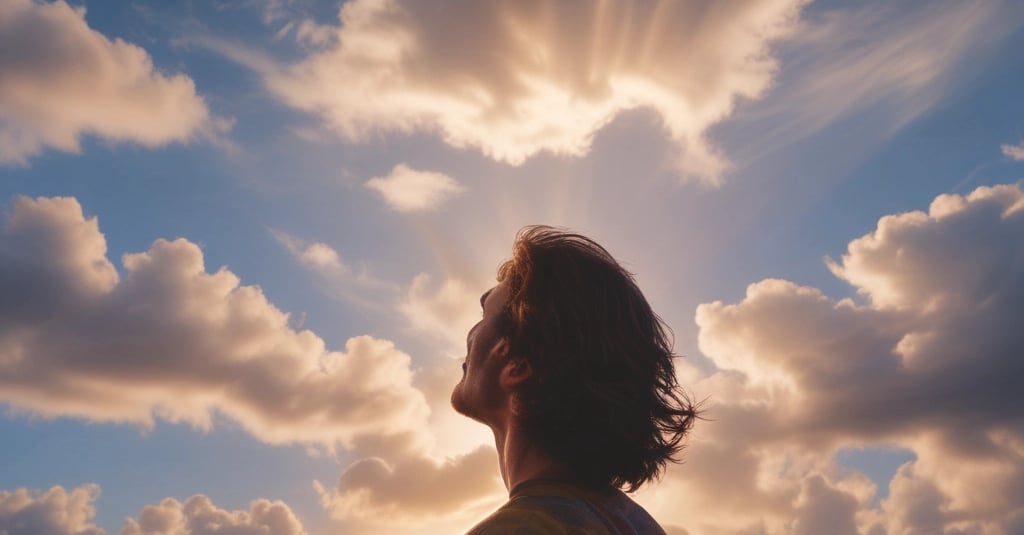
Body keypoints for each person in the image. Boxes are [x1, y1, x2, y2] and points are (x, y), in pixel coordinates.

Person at [452, 226, 698, 534]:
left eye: (484, 317)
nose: (471, 335)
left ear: (518, 365)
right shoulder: (637, 524)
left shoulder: (521, 528)